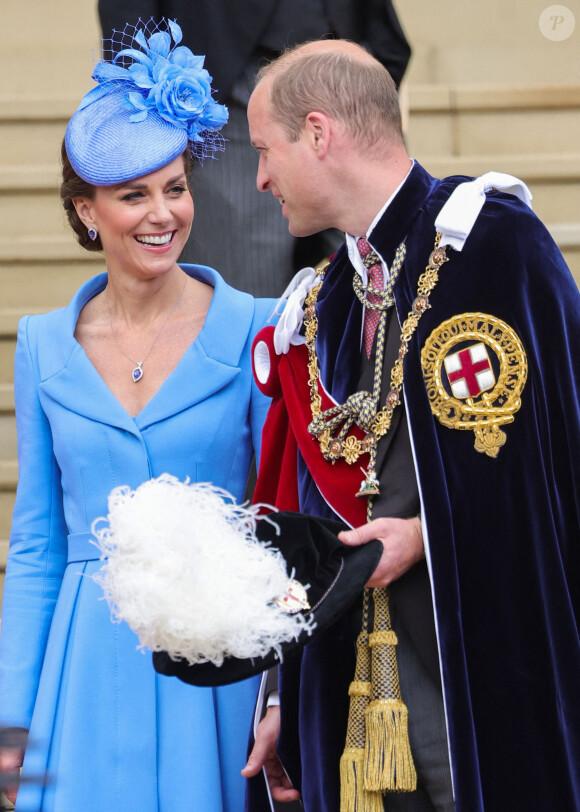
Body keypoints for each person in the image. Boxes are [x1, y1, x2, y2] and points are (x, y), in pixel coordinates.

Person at [242, 40, 580, 812]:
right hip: (354, 691)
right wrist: (280, 694)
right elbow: (299, 498)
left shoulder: (494, 245)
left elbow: (557, 461)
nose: (258, 177)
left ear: (319, 135)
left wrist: (425, 534)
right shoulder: (322, 300)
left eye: (266, 150)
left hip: (484, 661)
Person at [0, 20, 275, 812]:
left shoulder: (255, 326)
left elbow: (281, 521)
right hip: (84, 671)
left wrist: (282, 693)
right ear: (87, 213)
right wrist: (15, 724)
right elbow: (35, 545)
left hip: (218, 668)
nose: (163, 214)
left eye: (175, 187)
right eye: (132, 196)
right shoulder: (42, 344)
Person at [98, 0, 411, 297]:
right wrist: (145, 94)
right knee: (250, 305)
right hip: (224, 84)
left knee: (397, 280)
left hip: (350, 64)